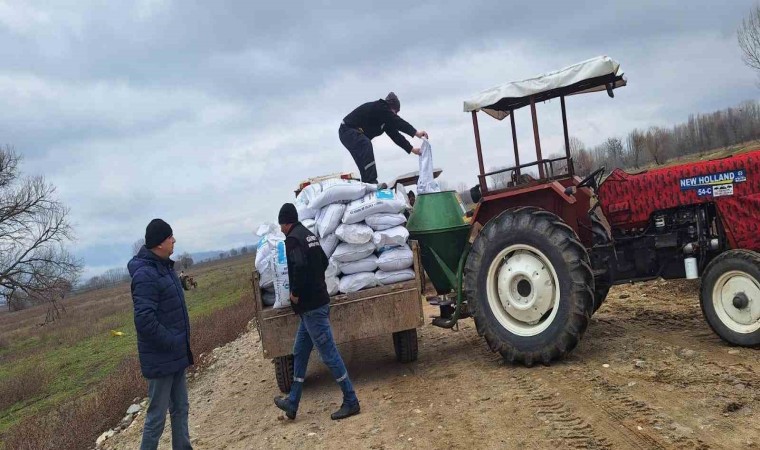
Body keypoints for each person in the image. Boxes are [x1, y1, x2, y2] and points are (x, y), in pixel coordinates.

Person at [273, 203, 360, 421]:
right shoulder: (309, 235)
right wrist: (315, 284)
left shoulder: (293, 239)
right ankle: (292, 402)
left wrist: (295, 293)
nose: (281, 229)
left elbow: (300, 267)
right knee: (300, 352)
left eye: (281, 224)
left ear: (286, 222)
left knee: (329, 353)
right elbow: (322, 261)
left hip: (311, 307)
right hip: (315, 305)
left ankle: (351, 400)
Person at [128, 219, 194, 450]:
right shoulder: (146, 274)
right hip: (161, 356)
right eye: (169, 237)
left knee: (181, 408)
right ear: (158, 243)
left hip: (175, 353)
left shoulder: (164, 268)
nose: (174, 240)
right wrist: (172, 341)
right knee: (157, 416)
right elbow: (144, 320)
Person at [339, 92, 429, 184]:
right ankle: (371, 181)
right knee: (365, 144)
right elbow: (398, 122)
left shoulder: (385, 121)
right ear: (391, 106)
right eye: (396, 112)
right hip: (347, 130)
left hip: (348, 134)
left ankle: (367, 183)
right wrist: (416, 133)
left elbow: (396, 136)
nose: (396, 114)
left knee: (362, 160)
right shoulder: (381, 107)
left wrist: (412, 149)